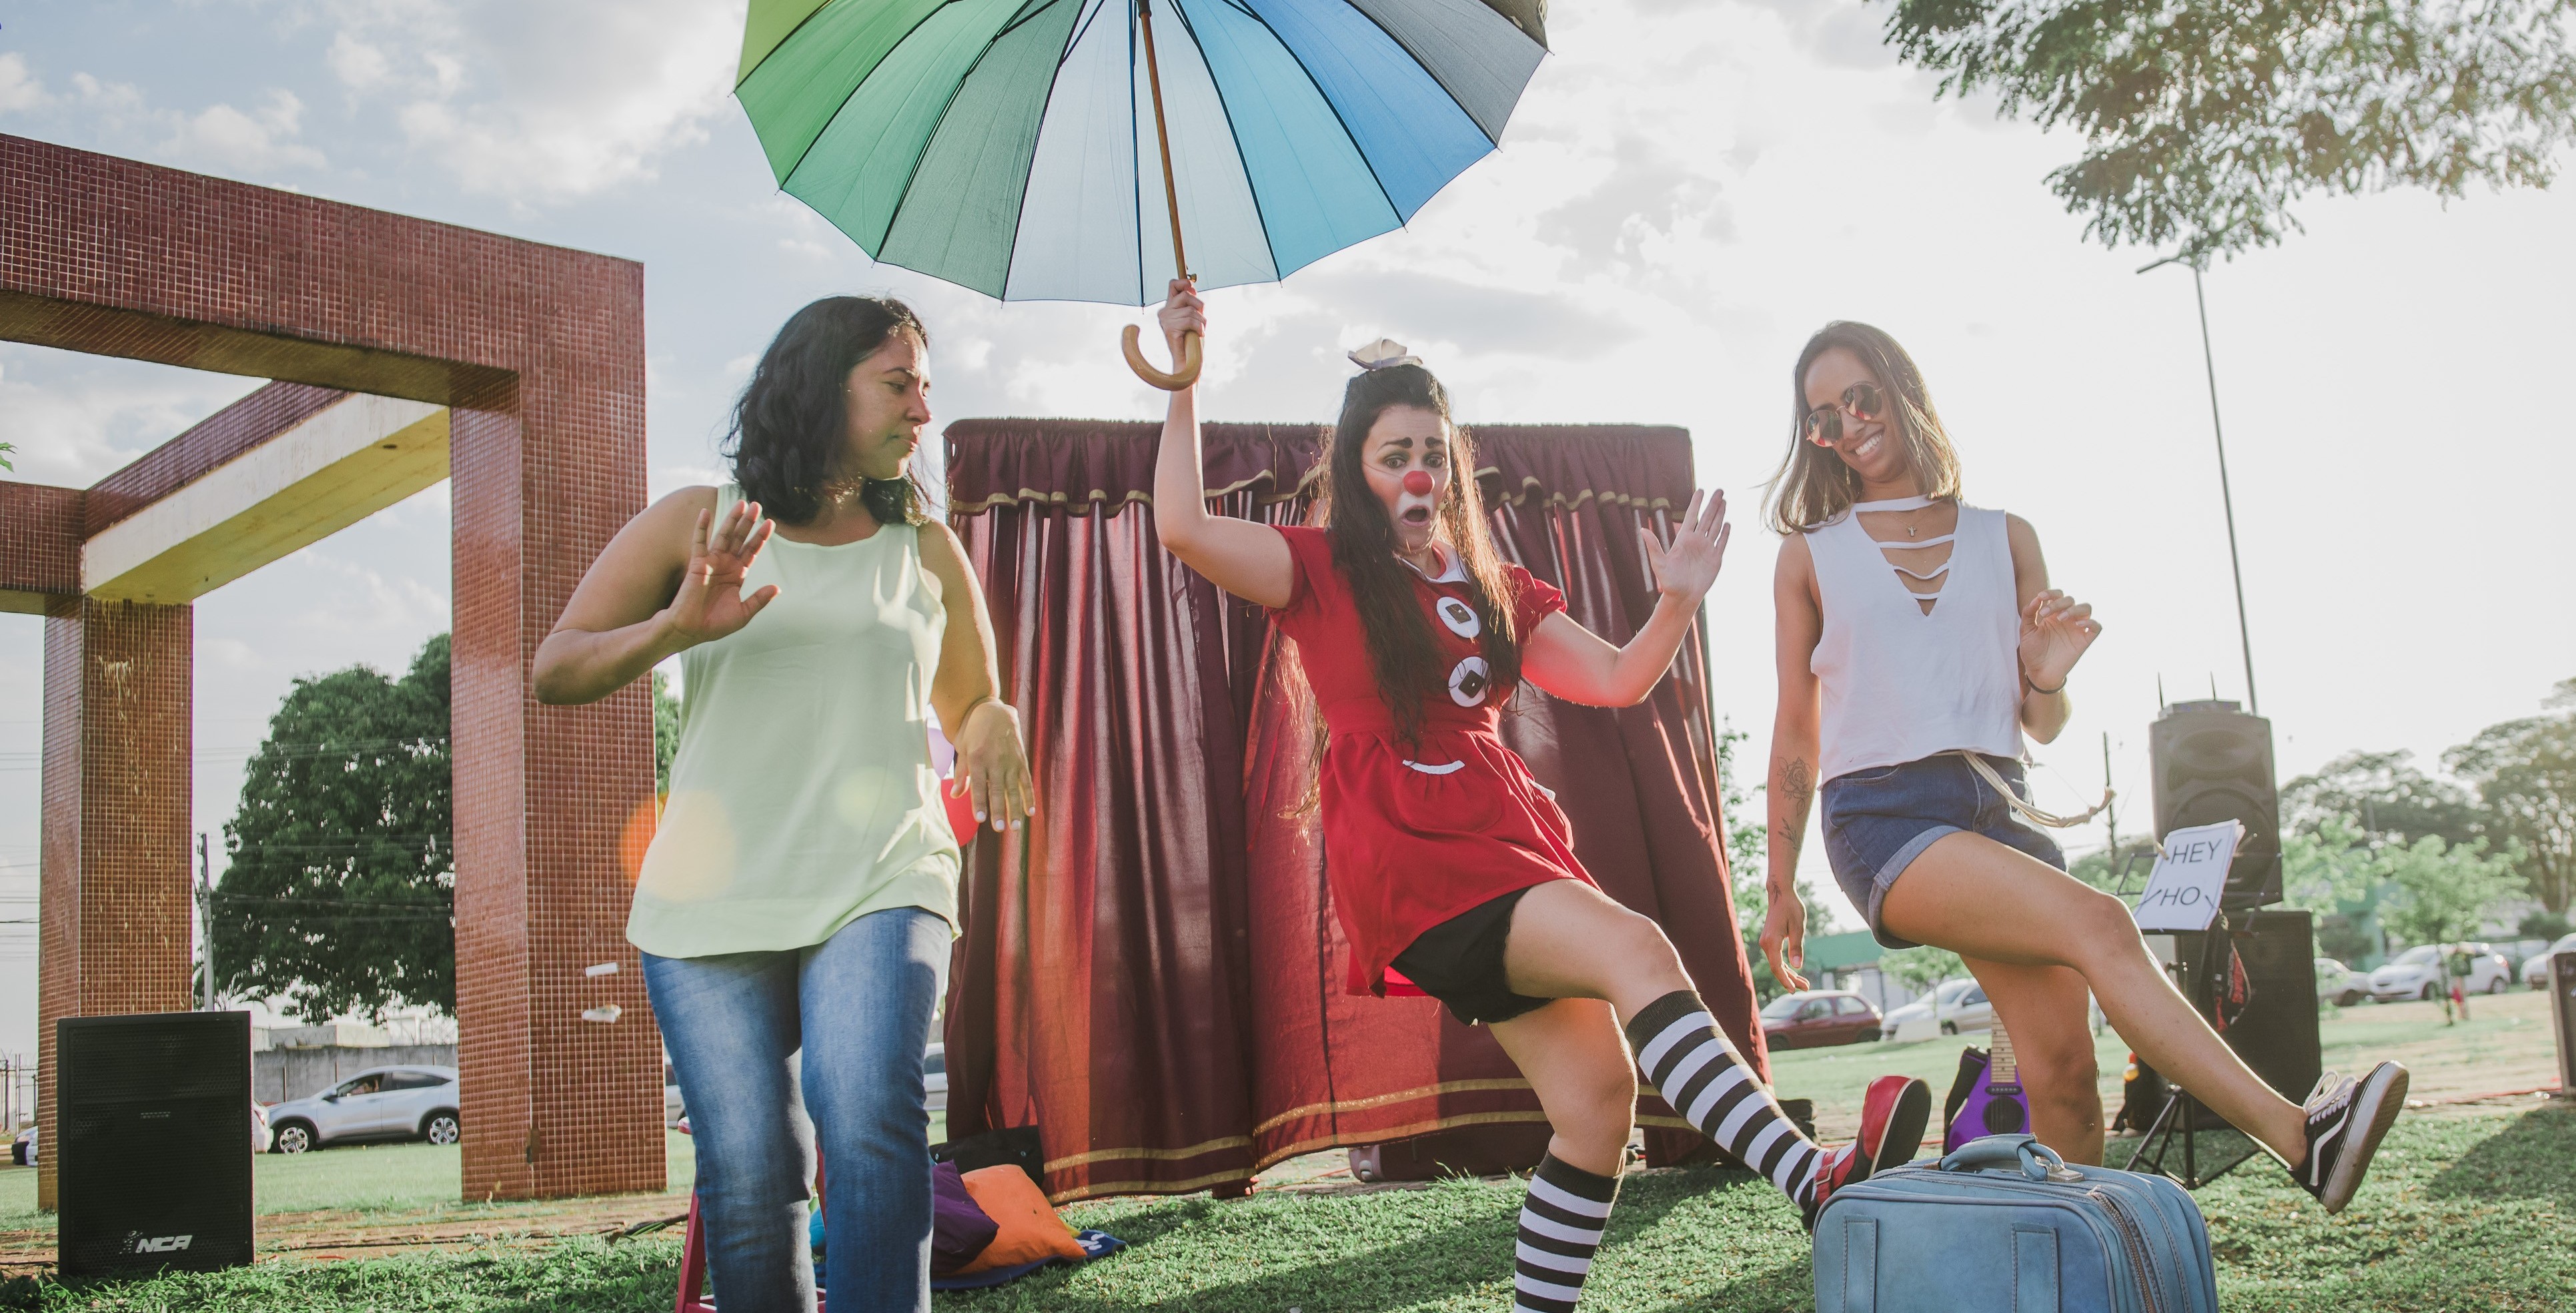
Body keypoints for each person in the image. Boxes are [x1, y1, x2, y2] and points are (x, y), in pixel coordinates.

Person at [1145, 286, 1932, 1313]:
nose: (1418, 470)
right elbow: (1178, 526)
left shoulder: (1495, 589)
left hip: (1509, 841)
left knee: (1598, 1106)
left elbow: (1617, 680)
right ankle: (1811, 1181)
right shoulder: (1321, 569)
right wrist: (1185, 379)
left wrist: (1679, 600)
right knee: (1640, 950)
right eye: (1393, 454)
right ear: (1358, 471)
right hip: (1418, 853)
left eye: (1432, 449)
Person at [1758, 320, 2407, 1214]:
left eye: (1860, 396)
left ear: (1901, 389)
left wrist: (2047, 672)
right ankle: (2304, 1140)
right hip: (1885, 818)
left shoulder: (2006, 537)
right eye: (1824, 418)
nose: (1850, 424)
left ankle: (2072, 1274)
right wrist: (1779, 884)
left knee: (2065, 1074)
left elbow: (2042, 721)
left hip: (2002, 807)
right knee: (2104, 924)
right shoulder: (1811, 556)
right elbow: (1797, 732)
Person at [531, 296, 1034, 1313]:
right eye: (898, 385)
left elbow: (972, 699)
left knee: (867, 1118)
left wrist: (995, 719)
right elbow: (557, 670)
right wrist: (676, 627)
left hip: (882, 872)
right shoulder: (699, 520)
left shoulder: (924, 547)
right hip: (712, 897)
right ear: (820, 388)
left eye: (926, 388)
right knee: (755, 1169)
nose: (921, 412)